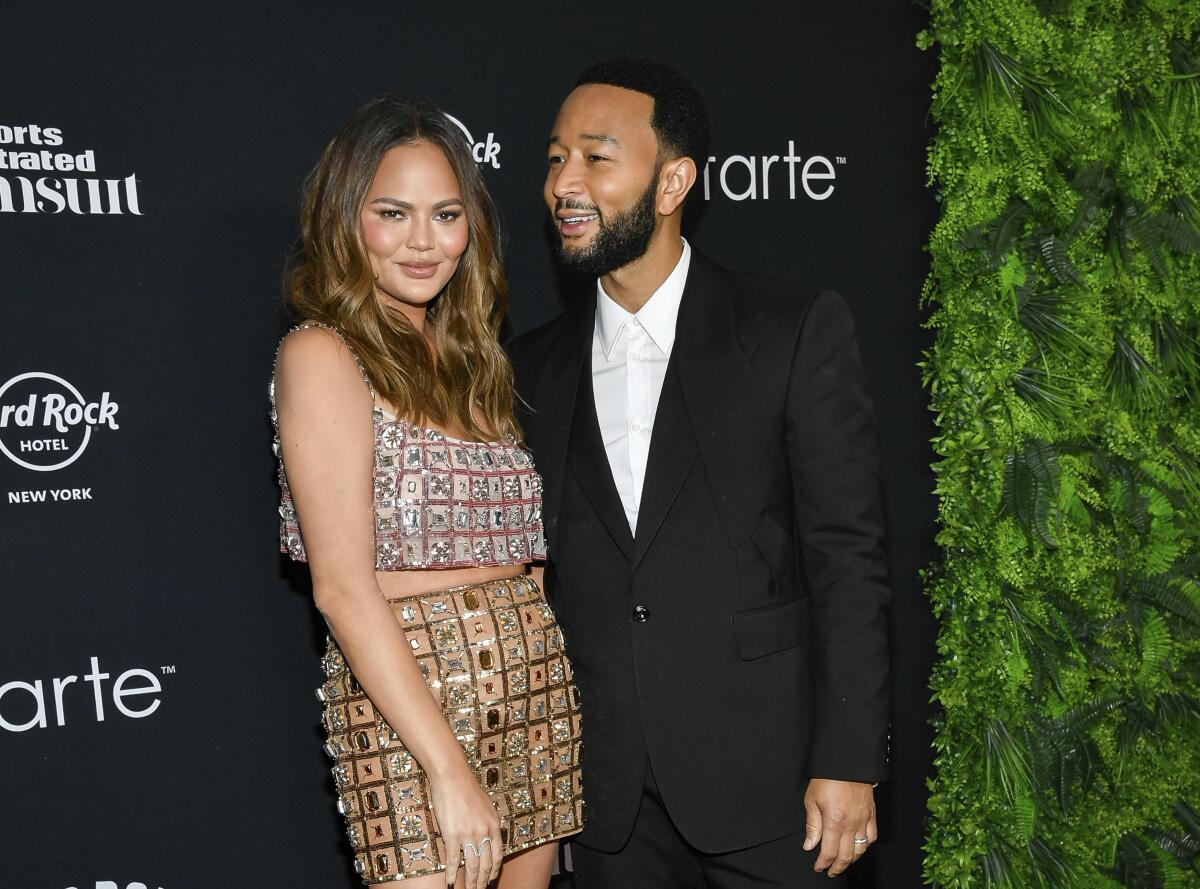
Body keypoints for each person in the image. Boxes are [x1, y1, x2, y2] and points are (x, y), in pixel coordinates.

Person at [507, 59, 890, 887]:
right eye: (552, 158)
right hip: (606, 806)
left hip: (776, 791)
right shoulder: (525, 370)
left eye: (596, 157)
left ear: (674, 179)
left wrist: (850, 758)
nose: (564, 183)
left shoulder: (791, 330)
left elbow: (848, 558)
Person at [271, 96, 583, 889]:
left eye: (445, 214)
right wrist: (445, 766)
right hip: (406, 709)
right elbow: (342, 587)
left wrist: (542, 682)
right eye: (393, 212)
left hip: (534, 695)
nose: (423, 240)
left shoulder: (473, 358)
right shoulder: (321, 354)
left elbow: (525, 557)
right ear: (347, 218)